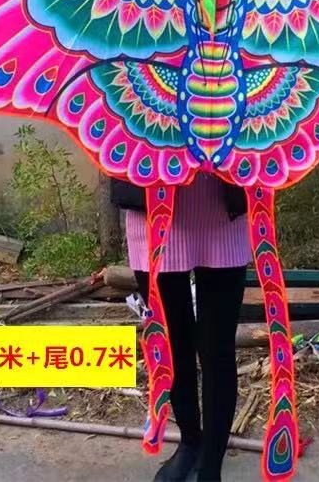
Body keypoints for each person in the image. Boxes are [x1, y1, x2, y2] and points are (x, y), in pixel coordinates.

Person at [112, 174, 250, 482]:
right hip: (152, 201)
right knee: (171, 345)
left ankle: (211, 464)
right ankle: (189, 442)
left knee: (217, 348)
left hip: (225, 203)